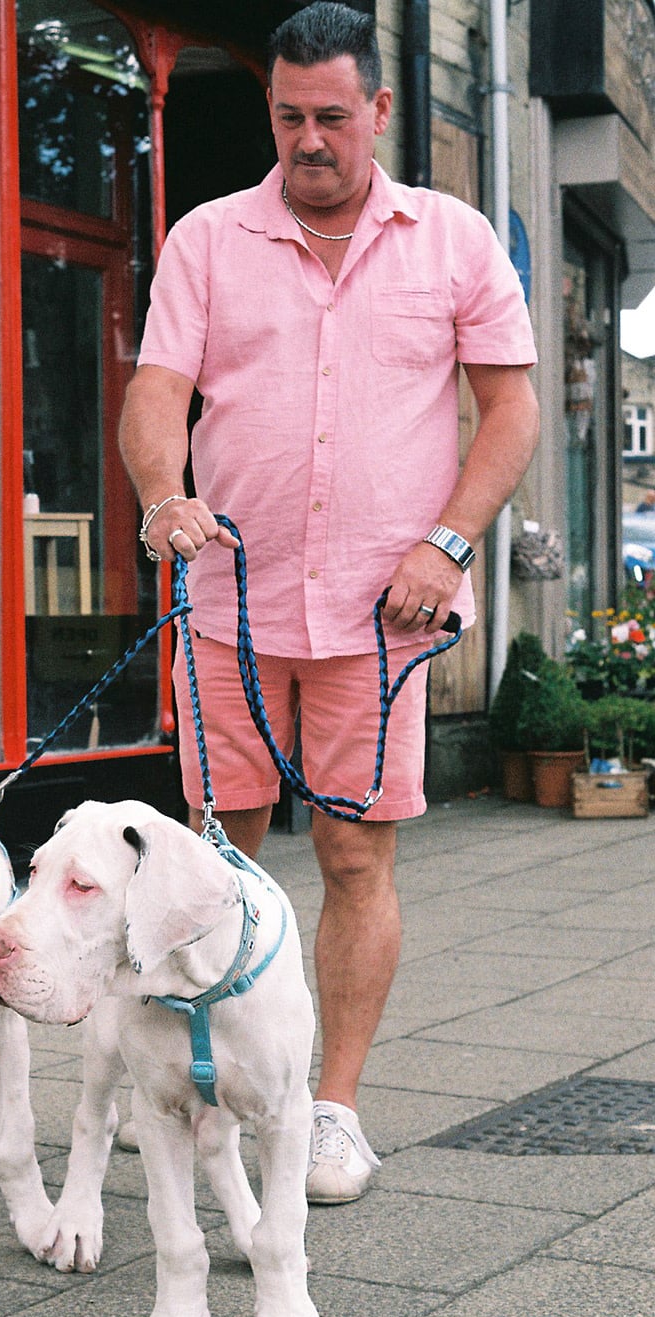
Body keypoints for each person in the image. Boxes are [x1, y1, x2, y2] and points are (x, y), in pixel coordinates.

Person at [119, 1, 539, 1202]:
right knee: (212, 859)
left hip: (381, 616)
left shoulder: (454, 242)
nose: (309, 140)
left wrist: (447, 546)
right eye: (290, 115)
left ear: (379, 112)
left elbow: (506, 410)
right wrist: (163, 494)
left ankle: (331, 1110)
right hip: (228, 609)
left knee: (356, 858)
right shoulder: (206, 238)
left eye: (332, 118)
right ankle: (208, 1087)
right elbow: (159, 394)